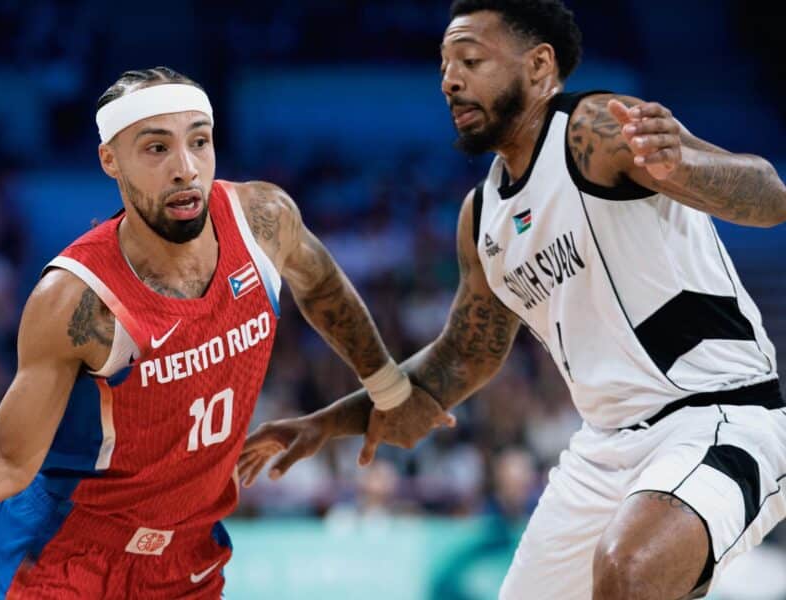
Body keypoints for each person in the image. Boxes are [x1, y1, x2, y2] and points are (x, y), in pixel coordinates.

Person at [0, 66, 453, 599]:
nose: (186, 167)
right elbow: (5, 457)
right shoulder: (77, 299)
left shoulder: (262, 220)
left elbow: (324, 288)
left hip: (186, 560)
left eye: (200, 141)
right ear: (110, 160)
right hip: (61, 562)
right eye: (156, 147)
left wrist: (389, 389)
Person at [239, 1, 786, 598]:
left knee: (633, 571)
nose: (450, 79)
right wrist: (330, 422)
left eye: (471, 60)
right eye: (445, 65)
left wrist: (687, 167)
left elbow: (769, 194)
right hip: (604, 450)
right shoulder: (483, 219)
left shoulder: (595, 130)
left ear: (539, 65)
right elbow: (460, 361)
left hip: (720, 415)